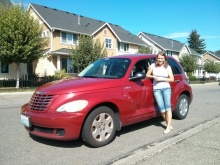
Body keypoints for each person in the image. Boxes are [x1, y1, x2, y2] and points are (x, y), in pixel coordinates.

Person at [146, 51, 174, 134]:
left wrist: (161, 79)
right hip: (156, 89)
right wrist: (153, 76)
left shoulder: (167, 67)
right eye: (158, 58)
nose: (160, 60)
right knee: (162, 109)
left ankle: (168, 126)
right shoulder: (153, 66)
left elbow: (171, 79)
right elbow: (147, 75)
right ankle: (168, 123)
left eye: (162, 58)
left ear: (165, 59)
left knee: (168, 107)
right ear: (156, 58)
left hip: (166, 88)